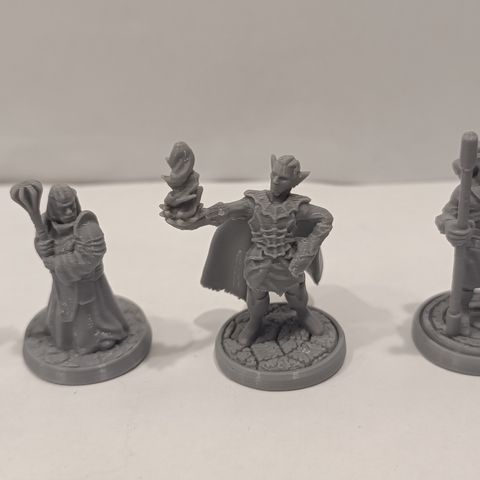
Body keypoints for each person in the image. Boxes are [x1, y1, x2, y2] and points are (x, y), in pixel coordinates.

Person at [165, 154, 333, 345]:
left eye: (283, 178)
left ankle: (303, 313)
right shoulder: (253, 202)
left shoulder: (298, 206)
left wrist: (308, 248)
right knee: (256, 296)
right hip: (259, 260)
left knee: (296, 293)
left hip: (288, 260)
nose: (276, 181)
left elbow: (325, 218)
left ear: (295, 181)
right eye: (274, 174)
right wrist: (194, 219)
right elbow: (224, 211)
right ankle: (254, 322)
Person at [34, 184, 129, 353]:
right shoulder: (46, 226)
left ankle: (100, 336)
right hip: (63, 284)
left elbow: (90, 257)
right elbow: (44, 248)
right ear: (54, 209)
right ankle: (66, 339)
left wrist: (56, 263)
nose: (69, 212)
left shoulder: (86, 226)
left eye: (71, 206)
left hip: (87, 283)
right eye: (63, 209)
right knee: (62, 313)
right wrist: (41, 248)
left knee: (90, 314)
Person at [435, 151, 480, 333]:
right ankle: (462, 312)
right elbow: (446, 216)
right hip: (473, 247)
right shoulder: (464, 191)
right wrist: (451, 226)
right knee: (465, 284)